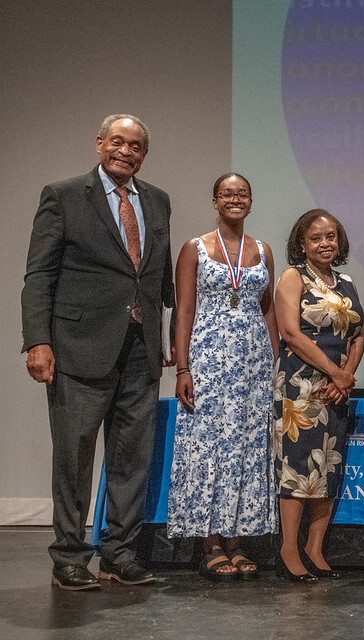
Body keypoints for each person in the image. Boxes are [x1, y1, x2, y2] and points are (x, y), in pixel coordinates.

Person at [21, 114, 174, 590]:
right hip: (78, 347)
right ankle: (69, 556)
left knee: (131, 459)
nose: (126, 151)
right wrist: (38, 340)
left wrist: (166, 334)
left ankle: (118, 554)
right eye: (117, 142)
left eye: (136, 146)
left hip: (140, 348)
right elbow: (39, 274)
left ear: (144, 154)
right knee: (74, 457)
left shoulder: (157, 200)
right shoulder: (63, 195)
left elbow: (156, 274)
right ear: (99, 143)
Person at [167, 173, 279, 581]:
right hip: (209, 360)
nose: (235, 199)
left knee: (246, 446)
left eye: (242, 194)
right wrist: (183, 367)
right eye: (227, 193)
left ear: (250, 201)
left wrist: (275, 361)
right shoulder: (194, 248)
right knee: (209, 446)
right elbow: (184, 311)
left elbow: (268, 309)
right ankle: (210, 543)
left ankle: (237, 540)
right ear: (215, 201)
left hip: (253, 363)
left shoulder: (263, 250)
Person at [274, 209, 364, 581]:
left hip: (336, 389)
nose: (325, 243)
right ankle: (288, 550)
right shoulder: (292, 277)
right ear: (302, 244)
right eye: (316, 238)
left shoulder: (347, 282)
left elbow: (358, 335)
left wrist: (345, 377)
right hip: (301, 385)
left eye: (331, 237)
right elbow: (290, 334)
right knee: (298, 467)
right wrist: (336, 373)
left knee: (328, 467)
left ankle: (315, 549)